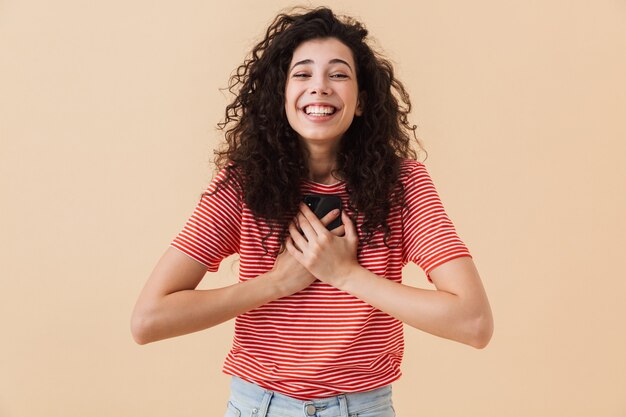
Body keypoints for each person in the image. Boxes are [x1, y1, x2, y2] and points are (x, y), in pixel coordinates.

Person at [131, 6, 493, 417]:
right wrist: (276, 283)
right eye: (302, 74)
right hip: (258, 407)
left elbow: (474, 323)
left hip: (364, 408)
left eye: (338, 74)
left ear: (361, 101)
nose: (319, 87)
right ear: (280, 96)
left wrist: (345, 274)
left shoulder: (404, 185)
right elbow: (148, 320)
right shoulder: (240, 186)